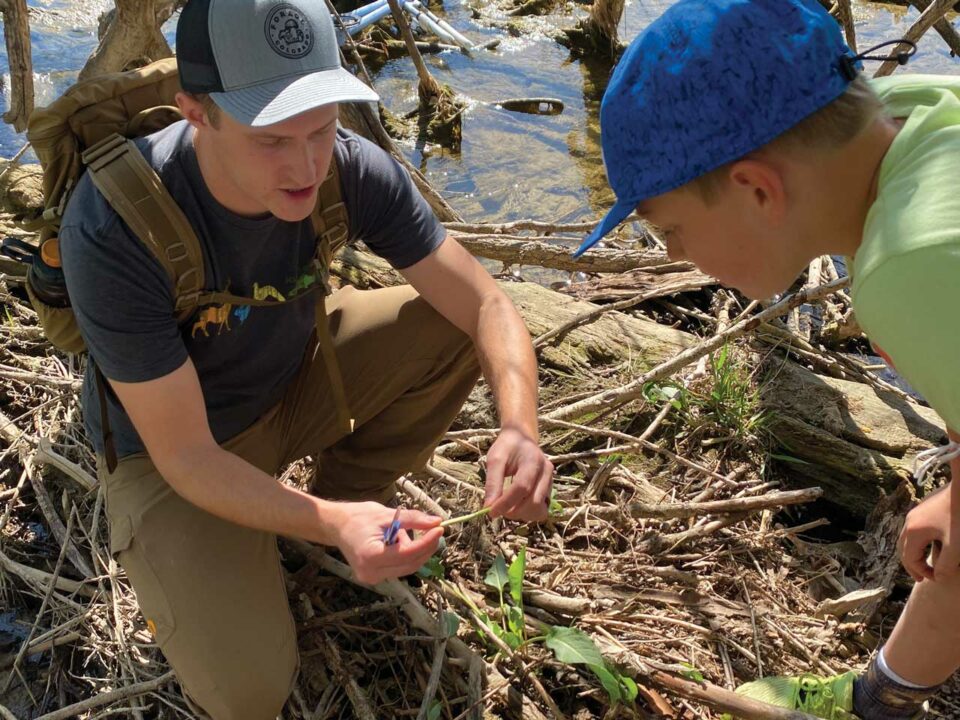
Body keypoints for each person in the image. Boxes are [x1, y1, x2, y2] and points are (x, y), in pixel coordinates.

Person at [58, 0, 554, 717]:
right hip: (175, 456)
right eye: (272, 139)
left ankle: (348, 500)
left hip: (291, 382)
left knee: (449, 325)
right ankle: (326, 525)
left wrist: (520, 429)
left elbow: (486, 305)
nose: (306, 165)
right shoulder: (115, 224)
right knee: (250, 693)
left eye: (321, 127)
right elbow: (187, 456)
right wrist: (328, 522)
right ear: (196, 113)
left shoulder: (349, 169)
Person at [578, 0, 960, 717]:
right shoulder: (914, 111)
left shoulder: (909, 266)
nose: (675, 256)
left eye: (671, 230)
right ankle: (879, 701)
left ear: (757, 190)